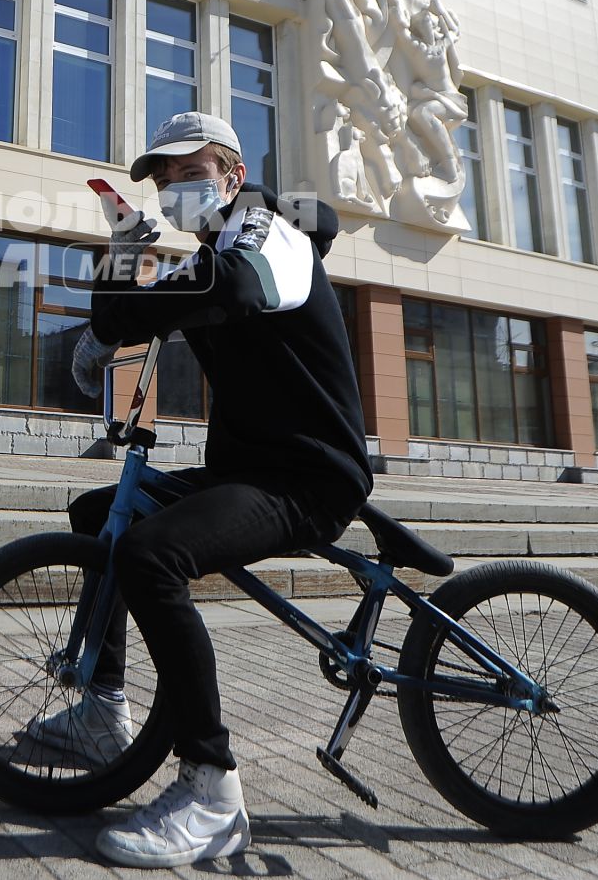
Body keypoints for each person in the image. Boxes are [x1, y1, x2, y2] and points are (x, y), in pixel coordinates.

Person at [39, 111, 373, 869]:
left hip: (307, 476)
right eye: (163, 179)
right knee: (102, 514)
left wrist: (123, 300)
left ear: (230, 172)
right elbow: (150, 310)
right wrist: (120, 266)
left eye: (187, 173)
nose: (172, 188)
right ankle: (103, 711)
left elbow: (231, 288)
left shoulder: (267, 230)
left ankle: (212, 790)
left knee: (153, 554)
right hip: (247, 469)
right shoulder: (215, 249)